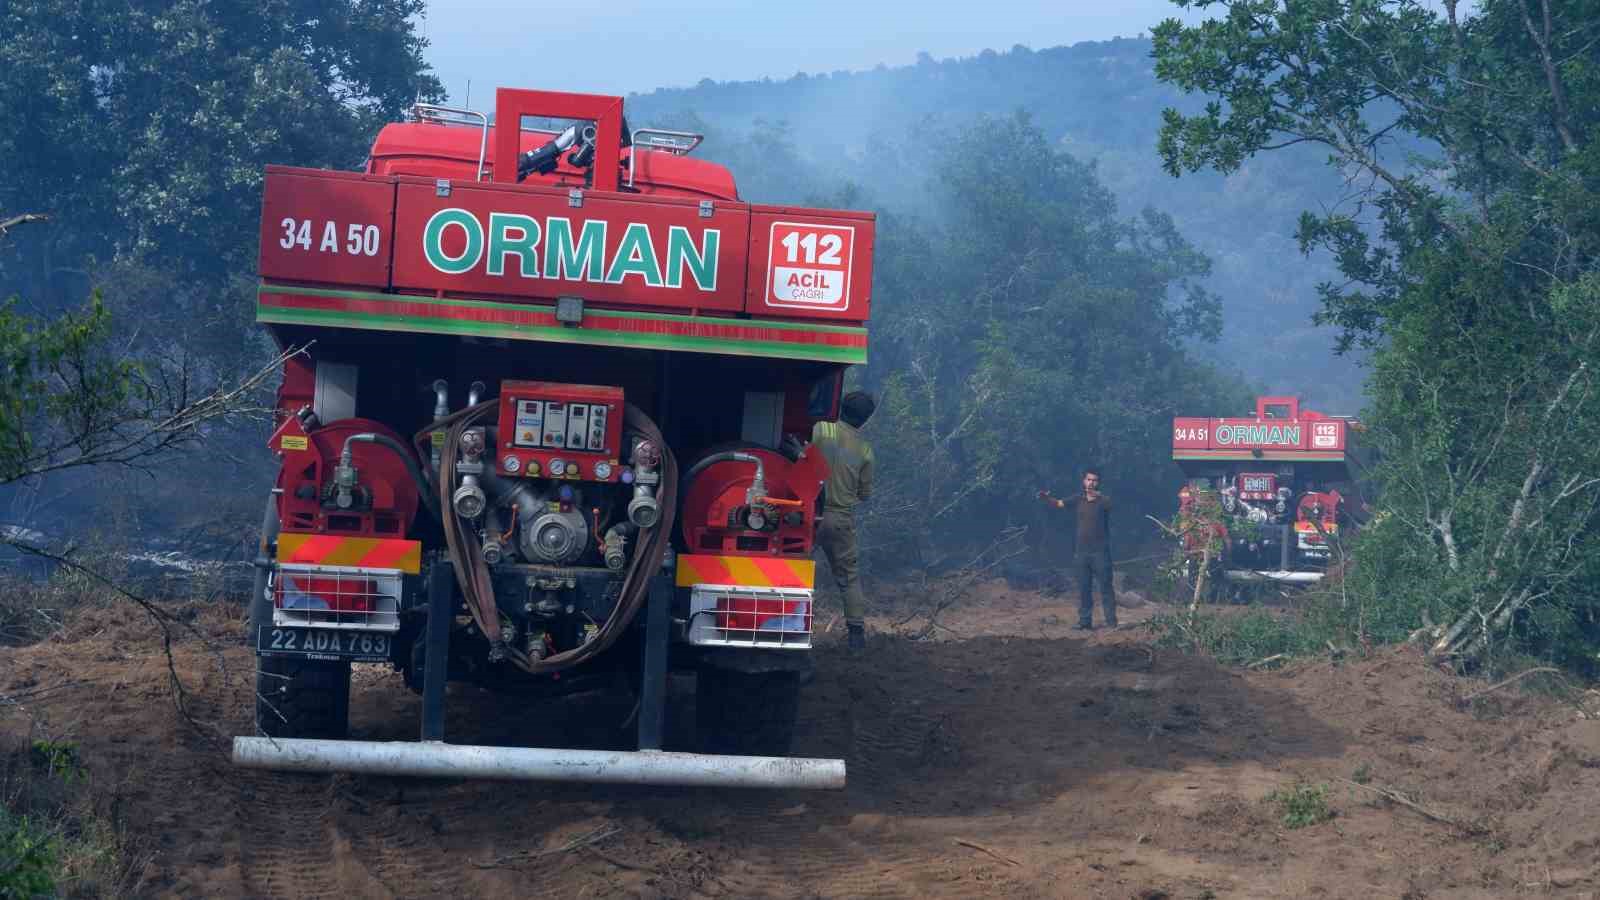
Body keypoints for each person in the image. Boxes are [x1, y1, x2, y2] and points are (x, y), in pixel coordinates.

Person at [812, 390, 876, 651]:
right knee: (848, 577)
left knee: (794, 572)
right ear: (865, 419)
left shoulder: (820, 430)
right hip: (840, 519)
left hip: (809, 515)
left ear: (839, 407)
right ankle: (856, 636)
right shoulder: (865, 450)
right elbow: (865, 494)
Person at [1038, 468, 1117, 630]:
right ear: (1084, 481)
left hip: (1100, 552)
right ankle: (1085, 622)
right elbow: (1060, 504)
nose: (1091, 483)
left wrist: (1099, 496)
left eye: (1094, 480)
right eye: (1088, 480)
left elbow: (1112, 506)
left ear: (1098, 483)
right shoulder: (1078, 499)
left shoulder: (1103, 501)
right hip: (1081, 552)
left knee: (1106, 588)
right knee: (1084, 589)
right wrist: (1046, 498)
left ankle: (1111, 623)